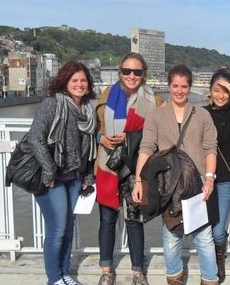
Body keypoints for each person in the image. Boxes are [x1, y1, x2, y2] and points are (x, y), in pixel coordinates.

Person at [132, 64, 219, 285]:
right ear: (169, 86)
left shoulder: (202, 114)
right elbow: (146, 147)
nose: (179, 91)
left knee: (204, 236)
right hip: (168, 183)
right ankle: (175, 278)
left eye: (184, 86)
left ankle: (209, 279)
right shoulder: (157, 114)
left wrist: (209, 178)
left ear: (190, 88)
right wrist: (139, 181)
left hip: (197, 181)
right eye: (175, 86)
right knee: (171, 235)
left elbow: (210, 148)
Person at [95, 52, 163, 285]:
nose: (131, 76)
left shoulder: (154, 100)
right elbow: (93, 128)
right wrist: (101, 138)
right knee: (107, 219)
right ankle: (106, 270)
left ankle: (137, 271)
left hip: (136, 167)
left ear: (144, 74)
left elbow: (161, 132)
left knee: (134, 220)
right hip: (108, 164)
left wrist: (131, 137)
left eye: (137, 72)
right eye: (127, 71)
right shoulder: (106, 95)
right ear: (120, 72)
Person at [28, 61, 97, 285]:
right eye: (74, 80)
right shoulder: (52, 104)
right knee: (57, 229)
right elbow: (35, 138)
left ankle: (66, 273)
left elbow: (89, 149)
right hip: (53, 179)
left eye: (83, 80)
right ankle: (54, 278)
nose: (79, 84)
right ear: (65, 82)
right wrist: (48, 171)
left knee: (68, 228)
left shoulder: (88, 110)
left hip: (75, 178)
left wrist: (88, 176)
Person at [203, 68, 230, 283]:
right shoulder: (202, 113)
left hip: (225, 178)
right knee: (203, 228)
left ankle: (219, 260)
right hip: (201, 179)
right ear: (209, 91)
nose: (220, 95)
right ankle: (209, 266)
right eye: (216, 90)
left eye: (225, 91)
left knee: (218, 230)